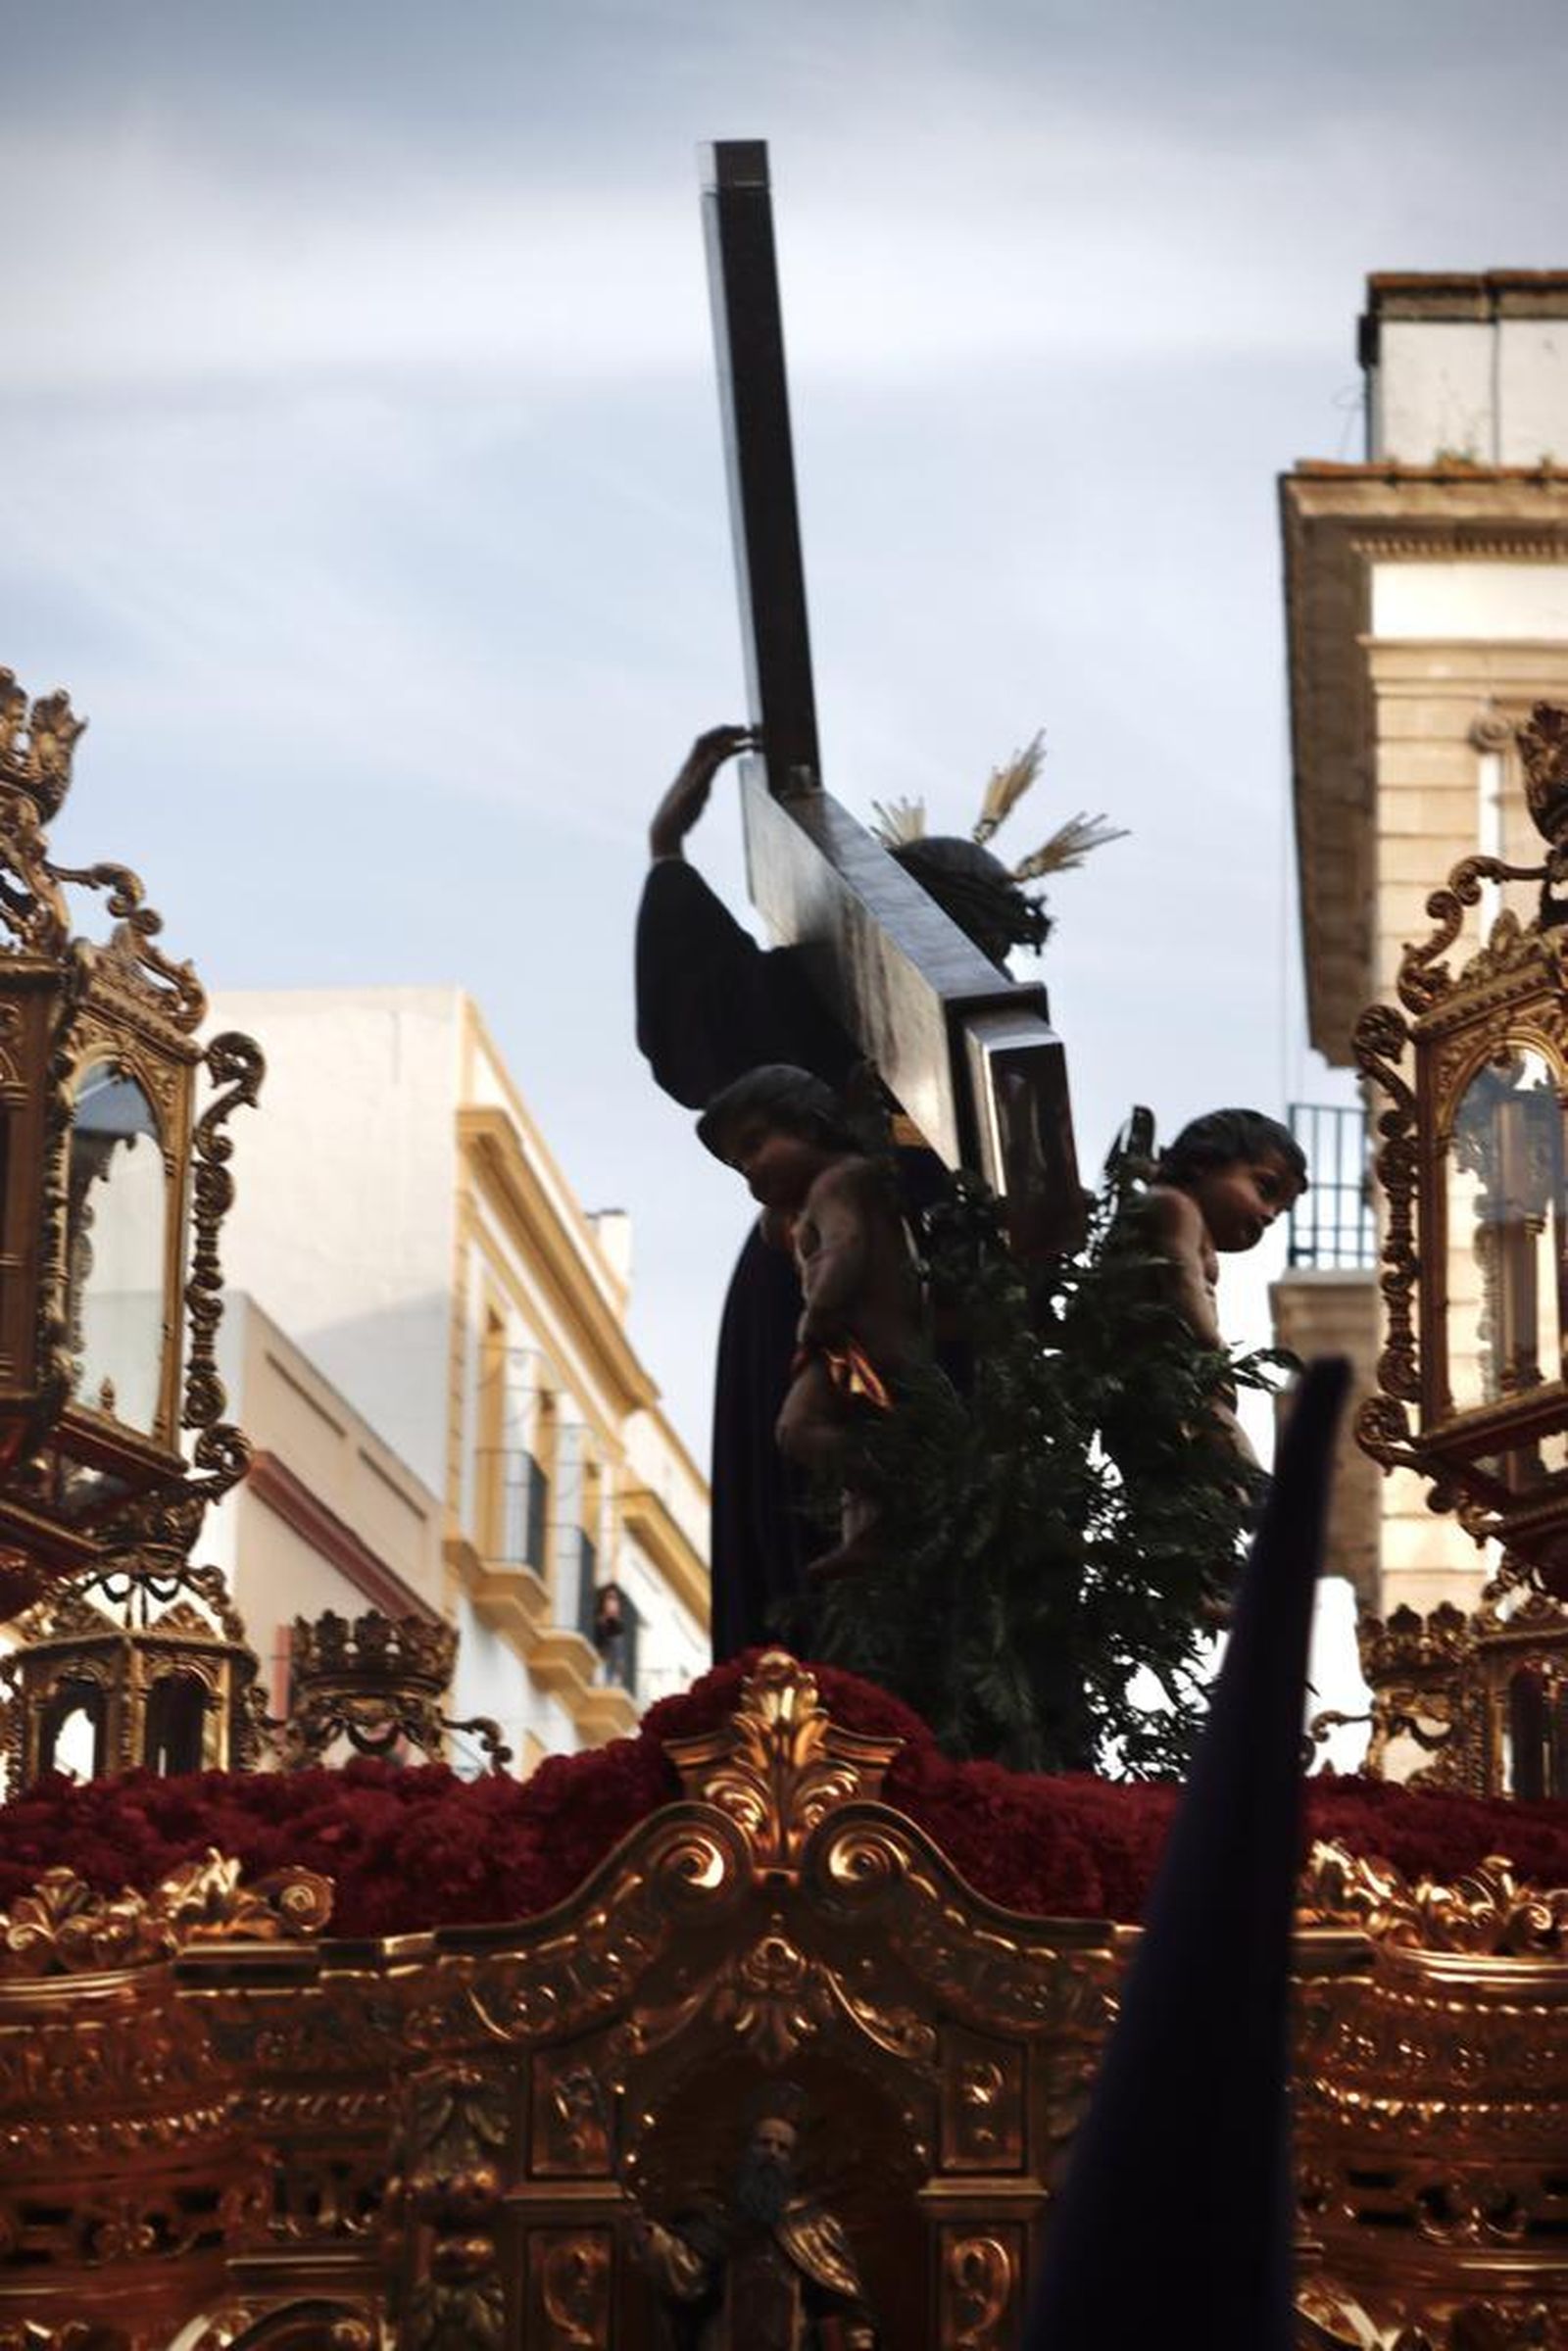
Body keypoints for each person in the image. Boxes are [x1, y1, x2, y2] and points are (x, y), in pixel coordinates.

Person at [637, 724, 1110, 1658]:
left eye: (981, 936)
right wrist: (668, 855)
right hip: (809, 1278)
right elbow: (698, 1026)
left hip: (962, 1313)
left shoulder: (1000, 1052)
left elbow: (1047, 1206)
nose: (964, 951)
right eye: (939, 921)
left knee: (963, 1567)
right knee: (808, 1517)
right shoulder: (818, 1002)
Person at [697, 1065, 924, 1581]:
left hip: (865, 1343)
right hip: (845, 1348)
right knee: (811, 1431)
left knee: (798, 1428)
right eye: (739, 1165)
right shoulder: (809, 1202)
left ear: (813, 1126)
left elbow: (846, 1248)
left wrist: (817, 1313)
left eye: (756, 1145)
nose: (750, 1170)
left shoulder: (842, 1181)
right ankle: (872, 1521)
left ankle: (895, 1482)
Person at [628, 2083, 877, 2350]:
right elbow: (685, 2274)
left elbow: (845, 2307)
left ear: (793, 2162)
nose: (772, 2153)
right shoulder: (718, 2215)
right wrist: (651, 2240)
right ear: (746, 2151)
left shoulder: (815, 2226)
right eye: (764, 2143)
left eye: (783, 2148)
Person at [1140, 1107, 1308, 1463]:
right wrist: (1212, 1348)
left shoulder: (1187, 1221)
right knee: (1224, 1453)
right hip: (1166, 1369)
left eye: (1277, 1214)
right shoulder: (1175, 1206)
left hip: (1182, 1372)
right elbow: (1180, 1277)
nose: (1267, 1214)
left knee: (1220, 1452)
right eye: (1265, 1190)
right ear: (1203, 1162)